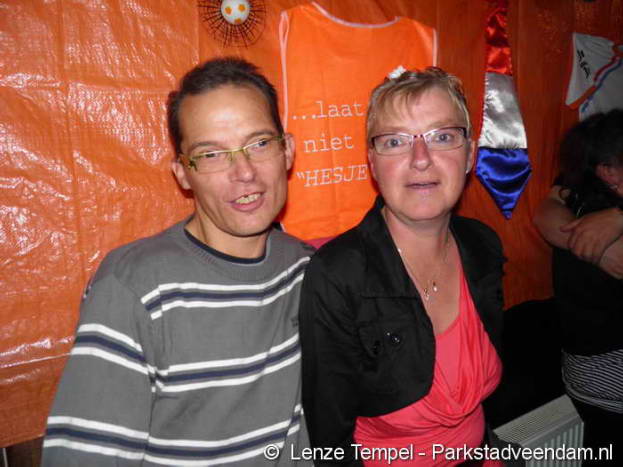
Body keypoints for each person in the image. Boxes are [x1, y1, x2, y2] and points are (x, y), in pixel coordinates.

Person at [42, 58, 314, 466]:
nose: (244, 172)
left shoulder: (307, 269)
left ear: (287, 150)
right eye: (211, 154)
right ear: (183, 174)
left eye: (259, 144)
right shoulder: (135, 289)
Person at [299, 68, 505, 466]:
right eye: (395, 141)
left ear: (470, 154)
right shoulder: (338, 275)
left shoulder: (483, 245)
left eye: (442, 136)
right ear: (372, 163)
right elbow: (329, 440)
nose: (421, 159)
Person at [534, 110, 623, 463]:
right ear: (606, 171)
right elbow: (545, 210)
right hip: (607, 370)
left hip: (583, 372)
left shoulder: (581, 200)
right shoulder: (592, 211)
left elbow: (547, 207)